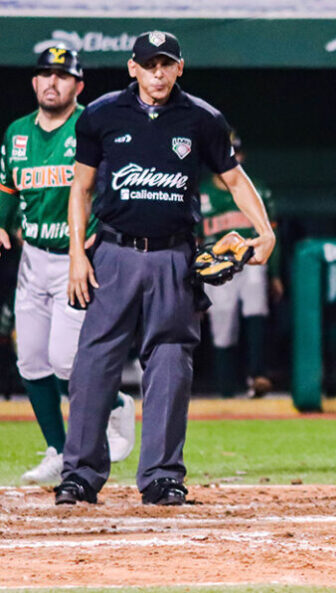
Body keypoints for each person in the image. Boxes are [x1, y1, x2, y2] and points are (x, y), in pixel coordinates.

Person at [56, 31, 275, 506]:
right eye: (148, 65)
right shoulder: (101, 115)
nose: (157, 73)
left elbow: (234, 180)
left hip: (175, 257)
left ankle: (160, 476)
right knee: (94, 366)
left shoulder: (202, 118)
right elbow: (81, 189)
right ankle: (80, 475)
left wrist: (266, 229)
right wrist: (77, 253)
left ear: (180, 68)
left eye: (166, 64)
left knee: (172, 363)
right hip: (113, 254)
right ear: (131, 68)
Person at [0, 46, 136, 485]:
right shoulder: (17, 133)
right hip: (34, 257)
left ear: (78, 85)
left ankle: (115, 405)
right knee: (32, 363)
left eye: (63, 75)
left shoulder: (90, 125)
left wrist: (103, 228)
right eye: (45, 74)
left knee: (65, 361)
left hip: (75, 259)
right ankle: (58, 450)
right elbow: (7, 186)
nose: (52, 82)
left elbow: (116, 182)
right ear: (35, 82)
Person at [199, 131, 282, 398]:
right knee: (222, 323)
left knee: (256, 301)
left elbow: (272, 233)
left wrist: (276, 274)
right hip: (216, 265)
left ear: (241, 155)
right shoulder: (200, 193)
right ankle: (226, 388)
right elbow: (192, 239)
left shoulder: (256, 189)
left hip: (250, 261)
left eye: (233, 151)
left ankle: (257, 374)